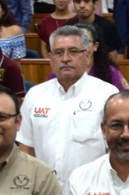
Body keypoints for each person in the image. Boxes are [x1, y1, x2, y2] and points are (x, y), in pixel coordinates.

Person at [16, 25, 120, 180]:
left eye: (73, 51)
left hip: (93, 188)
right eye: (59, 52)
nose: (65, 58)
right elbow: (26, 149)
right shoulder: (35, 95)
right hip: (44, 189)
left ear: (87, 55)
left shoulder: (107, 94)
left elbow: (116, 149)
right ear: (50, 58)